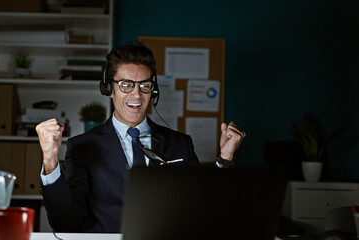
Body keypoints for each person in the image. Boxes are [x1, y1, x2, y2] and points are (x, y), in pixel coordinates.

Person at [36, 42, 246, 233]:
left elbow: (204, 210)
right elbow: (65, 223)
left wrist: (225, 159)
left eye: (144, 86)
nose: (136, 95)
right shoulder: (83, 147)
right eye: (126, 85)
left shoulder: (180, 144)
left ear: (153, 91)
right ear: (109, 89)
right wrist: (50, 161)